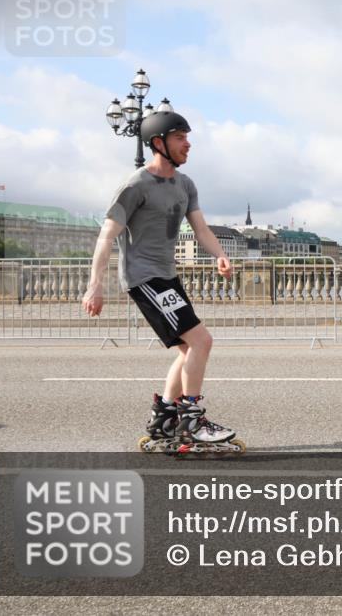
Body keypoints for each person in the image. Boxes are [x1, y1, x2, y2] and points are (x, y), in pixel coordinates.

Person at [82, 111, 240, 453]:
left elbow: (201, 230)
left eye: (187, 137)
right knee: (201, 341)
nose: (188, 143)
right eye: (180, 137)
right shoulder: (135, 185)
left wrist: (219, 256)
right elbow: (106, 236)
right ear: (158, 143)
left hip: (168, 276)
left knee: (188, 349)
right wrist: (95, 285)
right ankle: (192, 420)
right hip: (144, 278)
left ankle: (165, 417)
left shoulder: (186, 185)